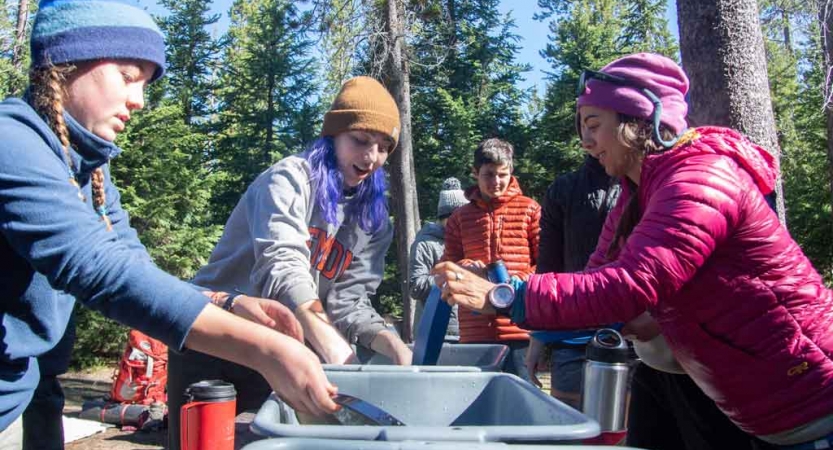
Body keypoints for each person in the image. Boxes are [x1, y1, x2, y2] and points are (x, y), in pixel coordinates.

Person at [434, 52, 833, 449]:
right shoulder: (638, 194)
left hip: (809, 392)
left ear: (638, 121)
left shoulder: (699, 180)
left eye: (593, 125)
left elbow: (627, 285)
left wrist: (504, 297)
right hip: (762, 405)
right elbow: (594, 280)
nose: (586, 142)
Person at [0, 0, 338, 446]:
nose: (138, 100)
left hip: (32, 392)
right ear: (67, 63)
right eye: (127, 76)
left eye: (145, 84)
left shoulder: (88, 171)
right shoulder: (12, 143)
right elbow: (100, 271)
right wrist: (265, 350)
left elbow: (134, 267)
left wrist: (228, 304)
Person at [167, 76, 412, 449]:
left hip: (276, 352)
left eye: (383, 148)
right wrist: (326, 338)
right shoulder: (288, 180)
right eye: (360, 141)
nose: (370, 157)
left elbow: (350, 301)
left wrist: (388, 341)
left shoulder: (374, 221)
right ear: (332, 136)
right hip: (212, 338)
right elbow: (281, 265)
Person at [441, 138, 540, 379]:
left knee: (521, 400)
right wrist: (465, 270)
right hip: (474, 330)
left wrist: (517, 283)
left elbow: (546, 264)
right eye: (488, 175)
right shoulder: (460, 218)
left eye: (502, 174)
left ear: (511, 171)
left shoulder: (530, 210)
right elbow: (448, 266)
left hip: (519, 328)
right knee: (475, 401)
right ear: (475, 173)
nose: (496, 182)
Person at [525, 154, 619, 407]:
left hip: (633, 340)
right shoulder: (563, 189)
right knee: (572, 430)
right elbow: (547, 268)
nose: (590, 137)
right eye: (586, 125)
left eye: (596, 125)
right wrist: (538, 337)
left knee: (625, 435)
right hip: (571, 337)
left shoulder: (646, 187)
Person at [409, 177, 468, 340]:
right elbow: (415, 286)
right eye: (457, 217)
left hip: (468, 328)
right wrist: (452, 278)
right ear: (445, 217)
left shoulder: (469, 240)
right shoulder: (424, 244)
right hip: (435, 330)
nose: (462, 222)